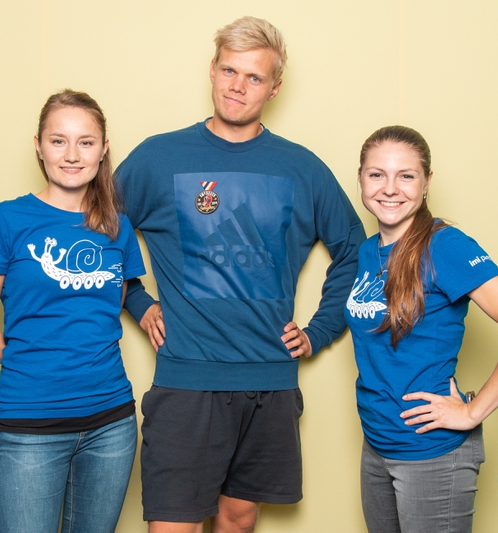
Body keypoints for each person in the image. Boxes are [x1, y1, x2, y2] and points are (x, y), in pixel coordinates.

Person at [116, 16, 365, 533]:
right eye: (229, 70)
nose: (238, 86)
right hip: (186, 380)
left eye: (254, 77)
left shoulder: (301, 168)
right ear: (212, 70)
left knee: (239, 519)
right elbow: (96, 238)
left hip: (269, 382)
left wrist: (319, 330)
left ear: (274, 88)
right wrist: (138, 301)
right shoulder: (157, 158)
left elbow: (356, 253)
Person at [345, 125, 498, 533]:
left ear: (426, 183)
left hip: (431, 452)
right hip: (377, 443)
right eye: (377, 174)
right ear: (361, 179)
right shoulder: (369, 251)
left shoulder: (445, 245)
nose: (390, 188)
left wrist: (472, 412)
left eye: (406, 176)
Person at [0, 90, 144, 533]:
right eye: (58, 141)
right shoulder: (4, 221)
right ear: (39, 147)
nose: (72, 155)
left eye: (86, 142)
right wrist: (39, 363)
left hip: (111, 424)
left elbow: (106, 311)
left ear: (103, 150)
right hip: (30, 427)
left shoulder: (117, 227)